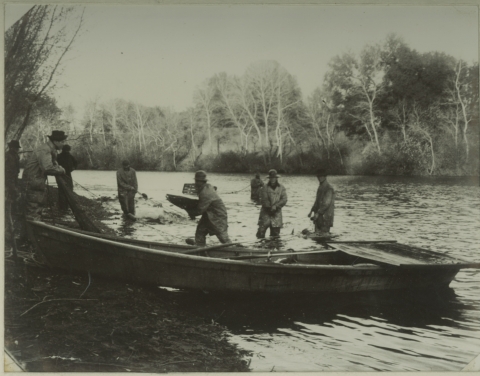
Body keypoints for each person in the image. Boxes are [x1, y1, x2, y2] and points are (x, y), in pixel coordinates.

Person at [21, 131, 67, 221]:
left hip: (36, 182)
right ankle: (31, 232)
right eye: (62, 142)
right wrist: (61, 170)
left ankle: (31, 231)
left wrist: (57, 166)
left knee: (36, 209)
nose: (64, 144)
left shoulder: (50, 150)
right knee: (33, 210)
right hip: (32, 183)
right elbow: (47, 168)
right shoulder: (45, 150)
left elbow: (53, 164)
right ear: (56, 141)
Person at [186, 170, 231, 246]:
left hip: (218, 215)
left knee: (222, 235)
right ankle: (200, 247)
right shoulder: (207, 187)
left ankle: (234, 251)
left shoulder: (205, 193)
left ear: (202, 182)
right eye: (196, 181)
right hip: (208, 214)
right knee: (200, 231)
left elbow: (200, 210)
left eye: (197, 181)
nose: (196, 183)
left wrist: (190, 212)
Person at [256, 169, 288, 238]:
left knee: (275, 235)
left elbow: (284, 199)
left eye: (274, 178)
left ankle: (274, 247)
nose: (272, 179)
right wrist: (269, 208)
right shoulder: (264, 187)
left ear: (276, 178)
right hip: (265, 213)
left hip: (277, 213)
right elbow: (264, 199)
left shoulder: (281, 188)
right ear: (269, 178)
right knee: (260, 233)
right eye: (271, 178)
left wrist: (276, 206)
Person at [308, 168, 335, 234]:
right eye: (318, 176)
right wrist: (311, 211)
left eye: (321, 176)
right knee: (317, 238)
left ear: (325, 176)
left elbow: (326, 204)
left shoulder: (329, 188)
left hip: (325, 218)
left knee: (323, 237)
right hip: (318, 218)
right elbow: (317, 201)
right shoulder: (320, 187)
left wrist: (318, 213)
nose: (319, 178)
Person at [5, 140, 21, 243]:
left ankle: (10, 232)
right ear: (11, 148)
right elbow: (8, 174)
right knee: (8, 207)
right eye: (15, 148)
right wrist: (13, 188)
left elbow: (15, 173)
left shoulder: (15, 156)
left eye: (17, 148)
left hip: (13, 182)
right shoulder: (8, 157)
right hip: (8, 184)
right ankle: (8, 234)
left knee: (12, 208)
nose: (16, 149)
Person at [57, 144, 78, 211]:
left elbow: (55, 164)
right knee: (68, 190)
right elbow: (76, 163)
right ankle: (65, 207)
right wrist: (73, 169)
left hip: (60, 174)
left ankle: (62, 207)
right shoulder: (70, 156)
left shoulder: (59, 156)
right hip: (66, 174)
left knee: (61, 190)